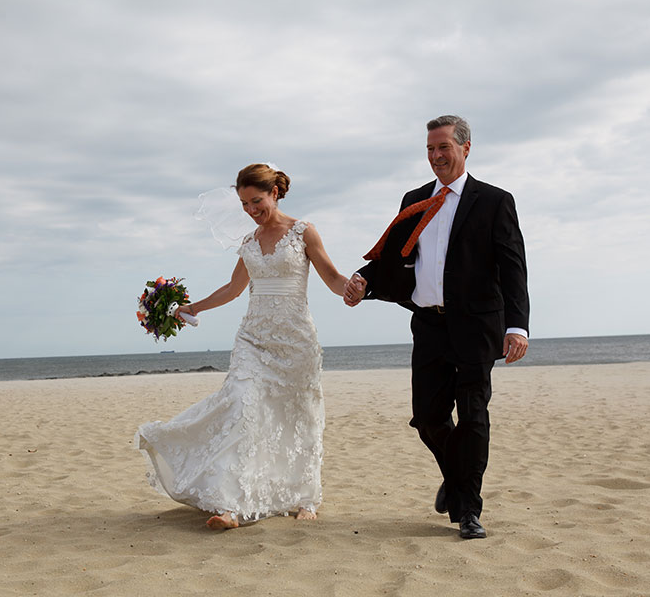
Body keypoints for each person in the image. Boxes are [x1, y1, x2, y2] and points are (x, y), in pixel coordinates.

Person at [344, 115, 530, 539]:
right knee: (428, 418)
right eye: (430, 149)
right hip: (429, 325)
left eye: (443, 147)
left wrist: (517, 326)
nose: (436, 156)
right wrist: (363, 281)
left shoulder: (494, 201)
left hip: (478, 326)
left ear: (466, 148)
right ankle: (458, 478)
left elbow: (513, 266)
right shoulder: (415, 199)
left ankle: (469, 510)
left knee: (473, 414)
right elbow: (391, 258)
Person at [136, 163, 351, 530]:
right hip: (253, 339)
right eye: (244, 204)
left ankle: (304, 496)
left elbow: (331, 276)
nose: (251, 210)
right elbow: (233, 290)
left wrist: (353, 289)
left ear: (275, 193)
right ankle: (231, 506)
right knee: (241, 407)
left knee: (297, 415)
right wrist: (192, 307)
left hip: (295, 341)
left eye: (257, 201)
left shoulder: (303, 232)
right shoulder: (249, 243)